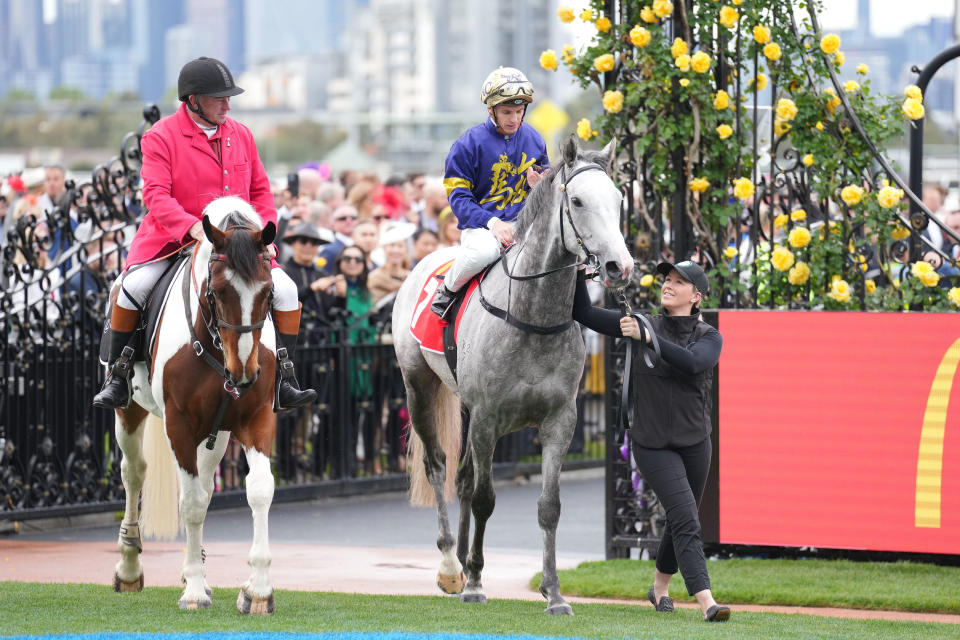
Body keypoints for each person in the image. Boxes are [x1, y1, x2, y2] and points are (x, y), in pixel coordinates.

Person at [92, 56, 317, 411]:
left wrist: (264, 238)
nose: (228, 104)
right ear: (193, 100)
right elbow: (155, 194)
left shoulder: (241, 134)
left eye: (229, 98)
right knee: (130, 288)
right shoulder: (160, 136)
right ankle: (118, 376)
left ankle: (284, 379)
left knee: (287, 291)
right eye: (219, 98)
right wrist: (191, 226)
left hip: (237, 246)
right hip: (173, 241)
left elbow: (260, 192)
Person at [572, 260, 729, 622]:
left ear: (697, 296)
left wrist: (647, 338)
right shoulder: (642, 324)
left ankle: (659, 588)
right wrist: (580, 274)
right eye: (667, 280)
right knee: (687, 516)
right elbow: (582, 311)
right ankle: (708, 602)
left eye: (679, 282)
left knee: (679, 518)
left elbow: (691, 363)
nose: (668, 285)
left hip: (695, 443)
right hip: (652, 443)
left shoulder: (710, 336)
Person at [430, 66, 548, 317]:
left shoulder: (536, 140)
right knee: (484, 252)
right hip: (482, 228)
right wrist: (494, 223)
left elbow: (547, 187)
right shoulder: (466, 145)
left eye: (519, 111)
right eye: (507, 112)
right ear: (490, 109)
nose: (514, 119)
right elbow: (459, 199)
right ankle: (448, 291)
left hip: (524, 223)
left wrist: (540, 187)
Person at [368, 223, 414, 303]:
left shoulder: (411, 278)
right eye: (392, 245)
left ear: (406, 249)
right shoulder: (374, 278)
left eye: (400, 246)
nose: (396, 250)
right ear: (384, 248)